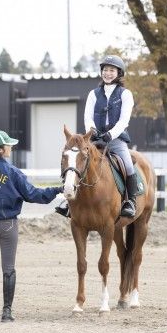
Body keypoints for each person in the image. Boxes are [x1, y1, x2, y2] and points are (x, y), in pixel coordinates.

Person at [0, 130, 63, 322]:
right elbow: (34, 195)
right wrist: (57, 190)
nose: (10, 147)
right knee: (8, 269)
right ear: (1, 150)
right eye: (8, 145)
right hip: (7, 225)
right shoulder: (13, 172)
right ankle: (6, 312)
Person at [55, 54, 137, 218]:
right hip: (94, 140)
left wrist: (110, 134)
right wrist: (92, 131)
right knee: (77, 161)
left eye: (112, 70)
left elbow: (124, 120)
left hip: (116, 140)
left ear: (119, 73)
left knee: (128, 166)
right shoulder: (93, 94)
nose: (108, 73)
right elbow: (88, 117)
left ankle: (130, 202)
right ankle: (70, 202)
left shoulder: (125, 94)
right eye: (105, 70)